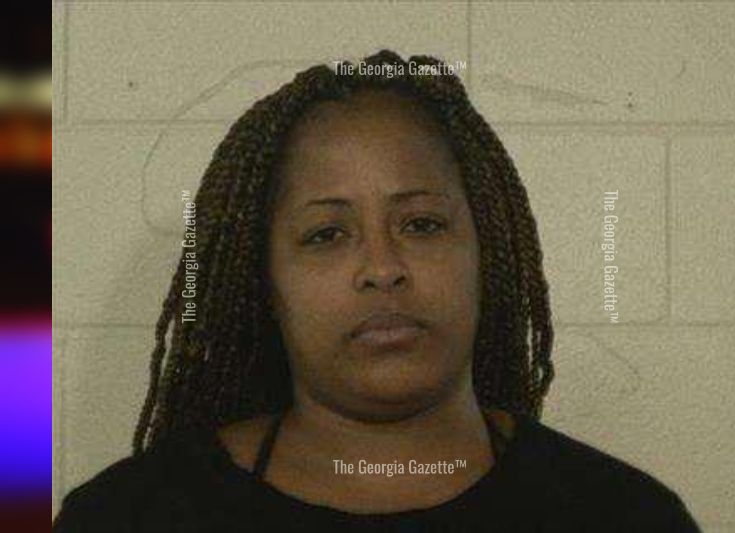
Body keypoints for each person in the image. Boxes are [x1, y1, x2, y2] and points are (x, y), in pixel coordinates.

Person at [53, 50, 701, 532]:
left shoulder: (622, 516)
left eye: (422, 224)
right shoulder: (130, 518)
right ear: (265, 282)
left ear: (486, 253)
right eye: (327, 234)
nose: (382, 267)